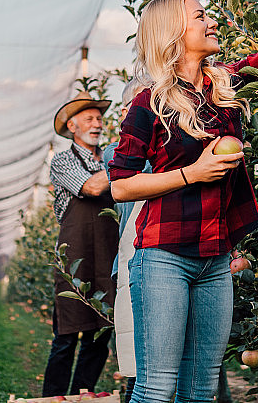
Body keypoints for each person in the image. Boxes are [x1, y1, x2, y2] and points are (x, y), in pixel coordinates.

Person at [108, 0, 258, 403]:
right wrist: (191, 173)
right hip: (164, 257)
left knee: (199, 390)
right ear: (175, 32)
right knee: (157, 388)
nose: (212, 22)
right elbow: (121, 184)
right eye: (201, 17)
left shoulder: (219, 89)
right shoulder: (150, 103)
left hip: (214, 259)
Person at [42, 91, 119, 397]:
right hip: (76, 258)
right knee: (66, 335)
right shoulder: (62, 161)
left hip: (108, 253)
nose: (97, 124)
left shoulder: (111, 157)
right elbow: (91, 186)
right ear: (72, 126)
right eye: (89, 118)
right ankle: (54, 396)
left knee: (100, 331)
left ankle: (82, 394)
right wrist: (126, 163)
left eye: (100, 118)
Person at [102, 79, 150, 403]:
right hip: (135, 257)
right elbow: (148, 174)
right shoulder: (115, 151)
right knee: (141, 362)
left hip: (173, 252)